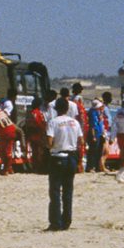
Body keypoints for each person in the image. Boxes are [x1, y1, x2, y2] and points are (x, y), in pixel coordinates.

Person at [44, 97, 81, 231]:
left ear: (56, 109)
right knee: (68, 191)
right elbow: (81, 141)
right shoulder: (75, 122)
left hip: (58, 157)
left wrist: (52, 146)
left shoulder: (53, 122)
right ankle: (66, 221)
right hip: (72, 156)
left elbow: (49, 142)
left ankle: (55, 222)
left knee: (55, 191)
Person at [84, 97, 109, 173]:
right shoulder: (92, 113)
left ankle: (97, 166)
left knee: (99, 151)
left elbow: (100, 123)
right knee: (93, 151)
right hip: (95, 133)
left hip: (100, 132)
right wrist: (93, 135)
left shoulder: (98, 112)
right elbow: (92, 125)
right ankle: (90, 167)